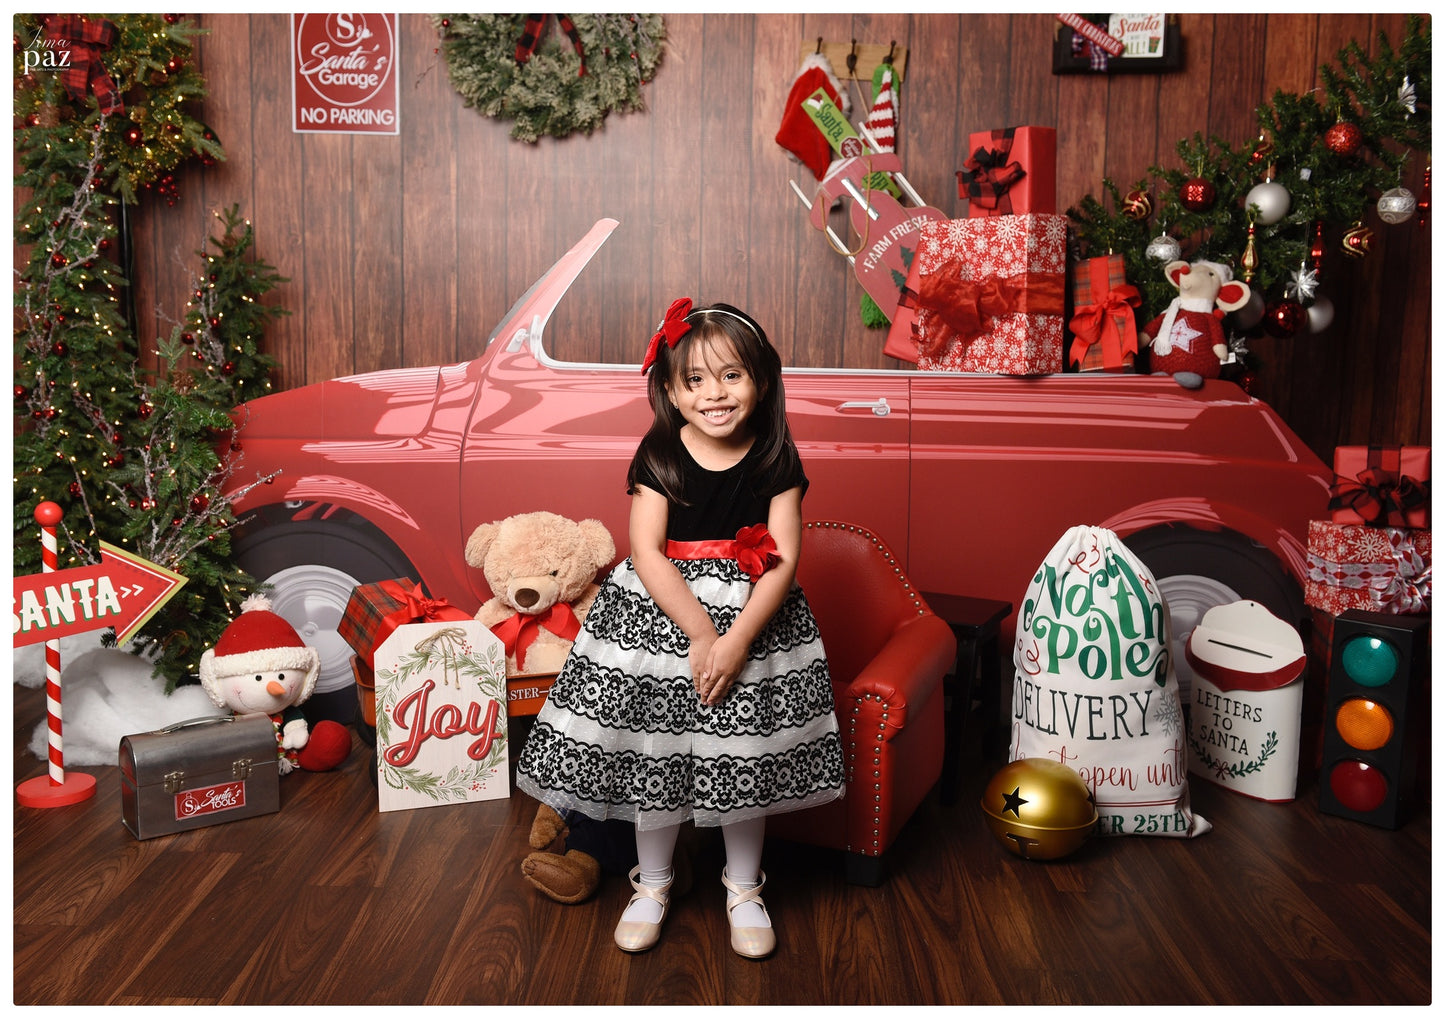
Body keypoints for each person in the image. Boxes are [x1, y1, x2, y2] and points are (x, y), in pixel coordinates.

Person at [515, 297, 845, 959]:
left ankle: (743, 888)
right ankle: (653, 883)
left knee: (741, 758)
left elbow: (781, 559)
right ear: (669, 388)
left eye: (731, 375)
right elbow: (646, 550)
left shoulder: (776, 457)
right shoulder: (659, 453)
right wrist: (700, 633)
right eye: (694, 379)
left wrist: (736, 640)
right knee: (653, 756)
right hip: (660, 623)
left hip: (754, 619)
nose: (714, 394)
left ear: (761, 380)